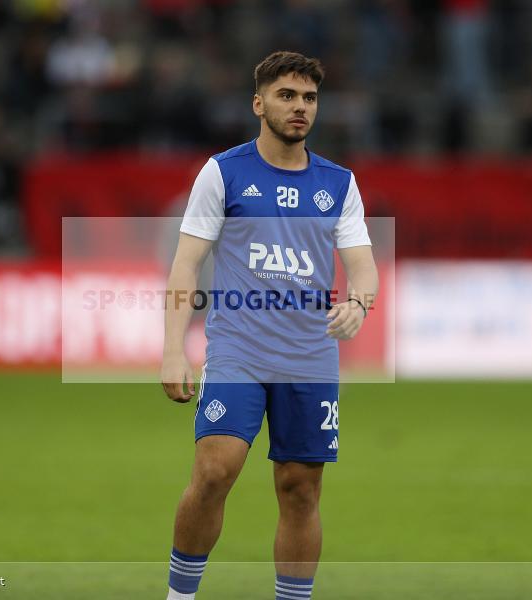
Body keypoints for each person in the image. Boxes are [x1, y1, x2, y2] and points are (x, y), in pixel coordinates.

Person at [160, 51, 378, 600]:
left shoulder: (338, 184)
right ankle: (179, 595)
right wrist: (171, 349)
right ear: (259, 104)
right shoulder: (224, 172)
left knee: (300, 489)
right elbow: (187, 262)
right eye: (286, 96)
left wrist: (360, 302)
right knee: (215, 470)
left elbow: (363, 267)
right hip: (238, 350)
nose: (299, 107)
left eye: (308, 98)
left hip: (309, 356)